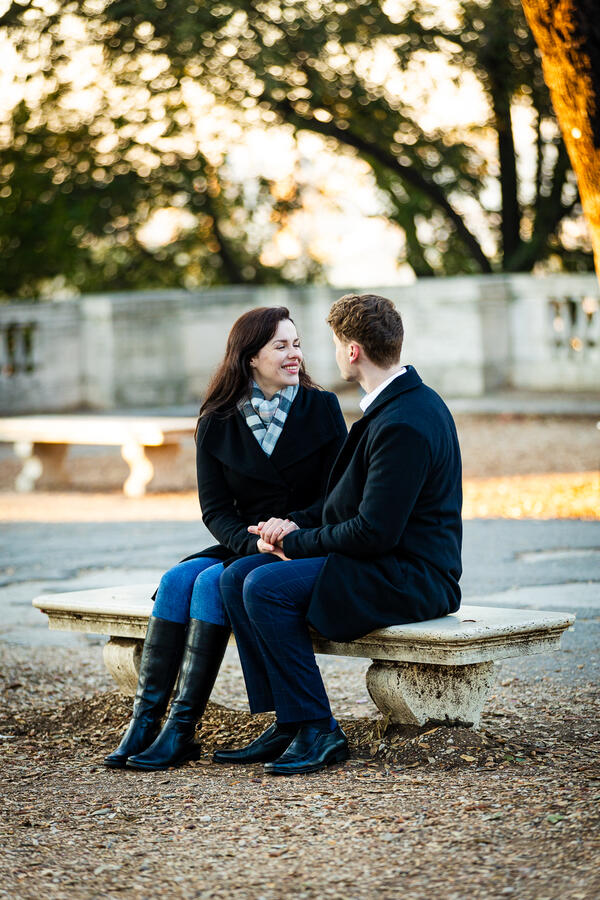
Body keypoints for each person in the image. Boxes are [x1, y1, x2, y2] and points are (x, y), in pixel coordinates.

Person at [215, 293, 462, 775]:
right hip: (381, 563)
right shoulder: (390, 407)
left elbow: (374, 533)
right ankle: (291, 719)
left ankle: (319, 729)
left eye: (329, 344)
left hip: (412, 576)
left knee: (265, 586)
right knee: (235, 575)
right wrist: (292, 524)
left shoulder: (406, 421)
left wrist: (294, 545)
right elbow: (343, 507)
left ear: (352, 351)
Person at [104, 306, 347, 771]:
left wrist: (289, 527)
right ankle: (153, 724)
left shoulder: (322, 407)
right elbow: (215, 510)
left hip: (306, 536)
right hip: (247, 540)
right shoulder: (216, 419)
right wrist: (251, 541)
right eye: (281, 346)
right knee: (178, 579)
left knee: (211, 583)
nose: (294, 354)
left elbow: (338, 495)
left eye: (297, 344)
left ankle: (182, 730)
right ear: (250, 356)